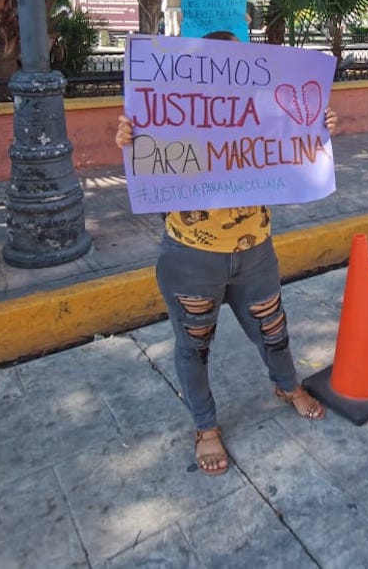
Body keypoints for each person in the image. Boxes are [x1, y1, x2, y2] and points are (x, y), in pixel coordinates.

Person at [114, 31, 334, 477]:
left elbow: (294, 153)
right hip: (191, 260)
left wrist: (319, 127)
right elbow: (153, 177)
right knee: (193, 347)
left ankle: (287, 385)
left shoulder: (264, 112)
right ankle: (205, 427)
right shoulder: (174, 116)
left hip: (256, 254)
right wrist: (131, 141)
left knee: (274, 331)